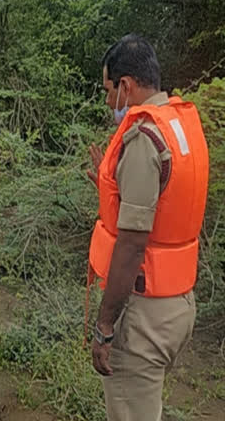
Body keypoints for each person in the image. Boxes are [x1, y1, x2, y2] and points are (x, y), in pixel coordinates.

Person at [86, 34, 209, 420]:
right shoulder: (180, 123)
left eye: (109, 91)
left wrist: (105, 327)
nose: (109, 102)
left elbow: (132, 245)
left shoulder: (144, 137)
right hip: (179, 306)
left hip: (144, 315)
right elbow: (169, 207)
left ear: (126, 86)